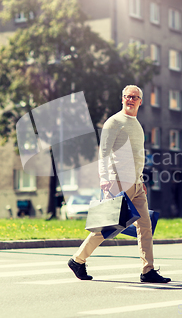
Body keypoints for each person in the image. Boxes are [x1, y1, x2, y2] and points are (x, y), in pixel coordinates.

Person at [68, 85, 171, 283]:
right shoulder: (113, 122)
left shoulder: (137, 124)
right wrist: (106, 181)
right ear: (122, 99)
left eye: (135, 97)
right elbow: (104, 152)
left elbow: (137, 156)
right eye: (127, 96)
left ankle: (147, 270)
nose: (130, 100)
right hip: (118, 183)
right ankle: (78, 260)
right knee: (108, 228)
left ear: (141, 101)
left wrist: (141, 180)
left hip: (136, 184)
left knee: (145, 226)